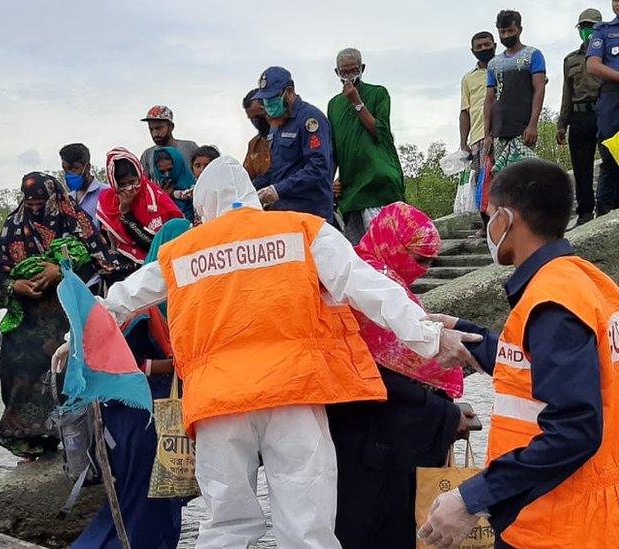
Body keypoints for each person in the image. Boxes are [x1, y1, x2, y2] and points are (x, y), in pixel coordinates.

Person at [54, 156, 481, 548]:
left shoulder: (181, 251)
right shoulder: (302, 229)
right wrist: (431, 337)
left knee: (225, 524)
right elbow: (368, 286)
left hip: (218, 406)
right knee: (306, 523)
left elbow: (118, 302)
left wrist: (75, 341)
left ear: (204, 205)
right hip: (294, 395)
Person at [419, 159, 619, 549]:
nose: (487, 229)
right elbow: (538, 368)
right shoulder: (583, 281)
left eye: (489, 216)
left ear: (507, 219)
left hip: (559, 521)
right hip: (566, 509)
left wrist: (470, 497)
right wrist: (470, 337)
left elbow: (574, 430)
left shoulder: (551, 302)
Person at [327, 202, 471, 549]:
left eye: (430, 262)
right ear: (391, 242)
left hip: (382, 439)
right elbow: (371, 372)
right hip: (370, 440)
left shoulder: (384, 280)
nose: (423, 269)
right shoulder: (362, 286)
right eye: (418, 259)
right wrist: (444, 413)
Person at [71, 218, 192, 549]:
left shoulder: (140, 298)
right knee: (148, 504)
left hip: (135, 421)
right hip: (145, 423)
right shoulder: (148, 310)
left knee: (134, 502)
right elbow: (133, 363)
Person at [0, 172, 116, 460]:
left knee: (62, 373)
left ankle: (68, 435)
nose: (35, 206)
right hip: (26, 318)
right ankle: (27, 441)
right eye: (29, 200)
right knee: (14, 368)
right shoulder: (13, 226)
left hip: (65, 314)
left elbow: (101, 261)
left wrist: (61, 271)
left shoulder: (75, 222)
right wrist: (15, 285)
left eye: (40, 201)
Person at [327, 48, 406, 244]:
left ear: (362, 68)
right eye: (344, 72)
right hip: (351, 190)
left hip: (378, 184)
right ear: (337, 73)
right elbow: (334, 148)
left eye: (353, 71)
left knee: (386, 247)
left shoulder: (378, 93)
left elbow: (380, 132)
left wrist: (357, 102)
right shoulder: (334, 104)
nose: (349, 76)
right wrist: (329, 182)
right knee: (359, 252)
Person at [252, 66, 337, 221]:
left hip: (311, 213)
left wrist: (278, 190)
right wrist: (251, 188)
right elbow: (277, 169)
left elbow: (318, 166)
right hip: (283, 213)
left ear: (289, 93)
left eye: (272, 99)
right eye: (265, 100)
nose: (268, 105)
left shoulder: (310, 119)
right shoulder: (275, 125)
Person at [96, 148, 183, 270]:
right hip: (128, 268)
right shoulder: (108, 202)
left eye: (132, 181)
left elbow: (154, 244)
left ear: (139, 175)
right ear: (115, 184)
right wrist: (123, 210)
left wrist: (126, 215)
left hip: (163, 262)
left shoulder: (155, 197)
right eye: (123, 184)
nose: (130, 188)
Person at [483, 10, 546, 177]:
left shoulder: (533, 55)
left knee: (526, 178)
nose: (506, 35)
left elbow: (539, 89)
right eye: (502, 32)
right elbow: (489, 99)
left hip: (523, 129)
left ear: (519, 29)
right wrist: (487, 134)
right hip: (499, 130)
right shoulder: (493, 63)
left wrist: (533, 124)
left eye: (510, 31)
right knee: (503, 181)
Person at [559, 8, 603, 227]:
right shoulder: (571, 60)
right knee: (581, 168)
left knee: (612, 163)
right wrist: (561, 124)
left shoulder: (609, 54)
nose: (587, 31)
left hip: (604, 114)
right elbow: (566, 94)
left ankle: (607, 208)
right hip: (579, 117)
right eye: (583, 27)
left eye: (591, 27)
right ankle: (585, 212)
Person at [461, 31, 498, 237]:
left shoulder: (504, 67)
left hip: (503, 130)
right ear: (473, 51)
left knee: (504, 179)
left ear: (494, 44)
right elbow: (464, 110)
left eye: (487, 45)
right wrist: (463, 142)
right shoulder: (468, 78)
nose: (484, 49)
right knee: (482, 182)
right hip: (478, 136)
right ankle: (487, 226)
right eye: (479, 46)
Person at [586, 0, 619, 216]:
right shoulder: (603, 31)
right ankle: (605, 211)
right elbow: (593, 65)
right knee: (610, 153)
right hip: (612, 96)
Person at [139, 105, 198, 177]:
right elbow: (143, 182)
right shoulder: (147, 155)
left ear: (171, 127)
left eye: (159, 128)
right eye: (151, 129)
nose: (155, 133)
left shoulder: (189, 147)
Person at [59, 143, 105, 223]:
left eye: (73, 169)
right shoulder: (68, 199)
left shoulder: (106, 193)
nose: (68, 174)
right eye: (65, 169)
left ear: (87, 167)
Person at [150, 146, 196, 222]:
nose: (167, 175)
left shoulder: (193, 185)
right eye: (162, 172)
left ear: (178, 165)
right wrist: (163, 197)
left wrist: (172, 194)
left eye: (170, 169)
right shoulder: (155, 192)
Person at [242, 89, 273, 190]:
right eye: (252, 119)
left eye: (259, 117)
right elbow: (244, 179)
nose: (256, 122)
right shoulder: (254, 145)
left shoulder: (291, 135)